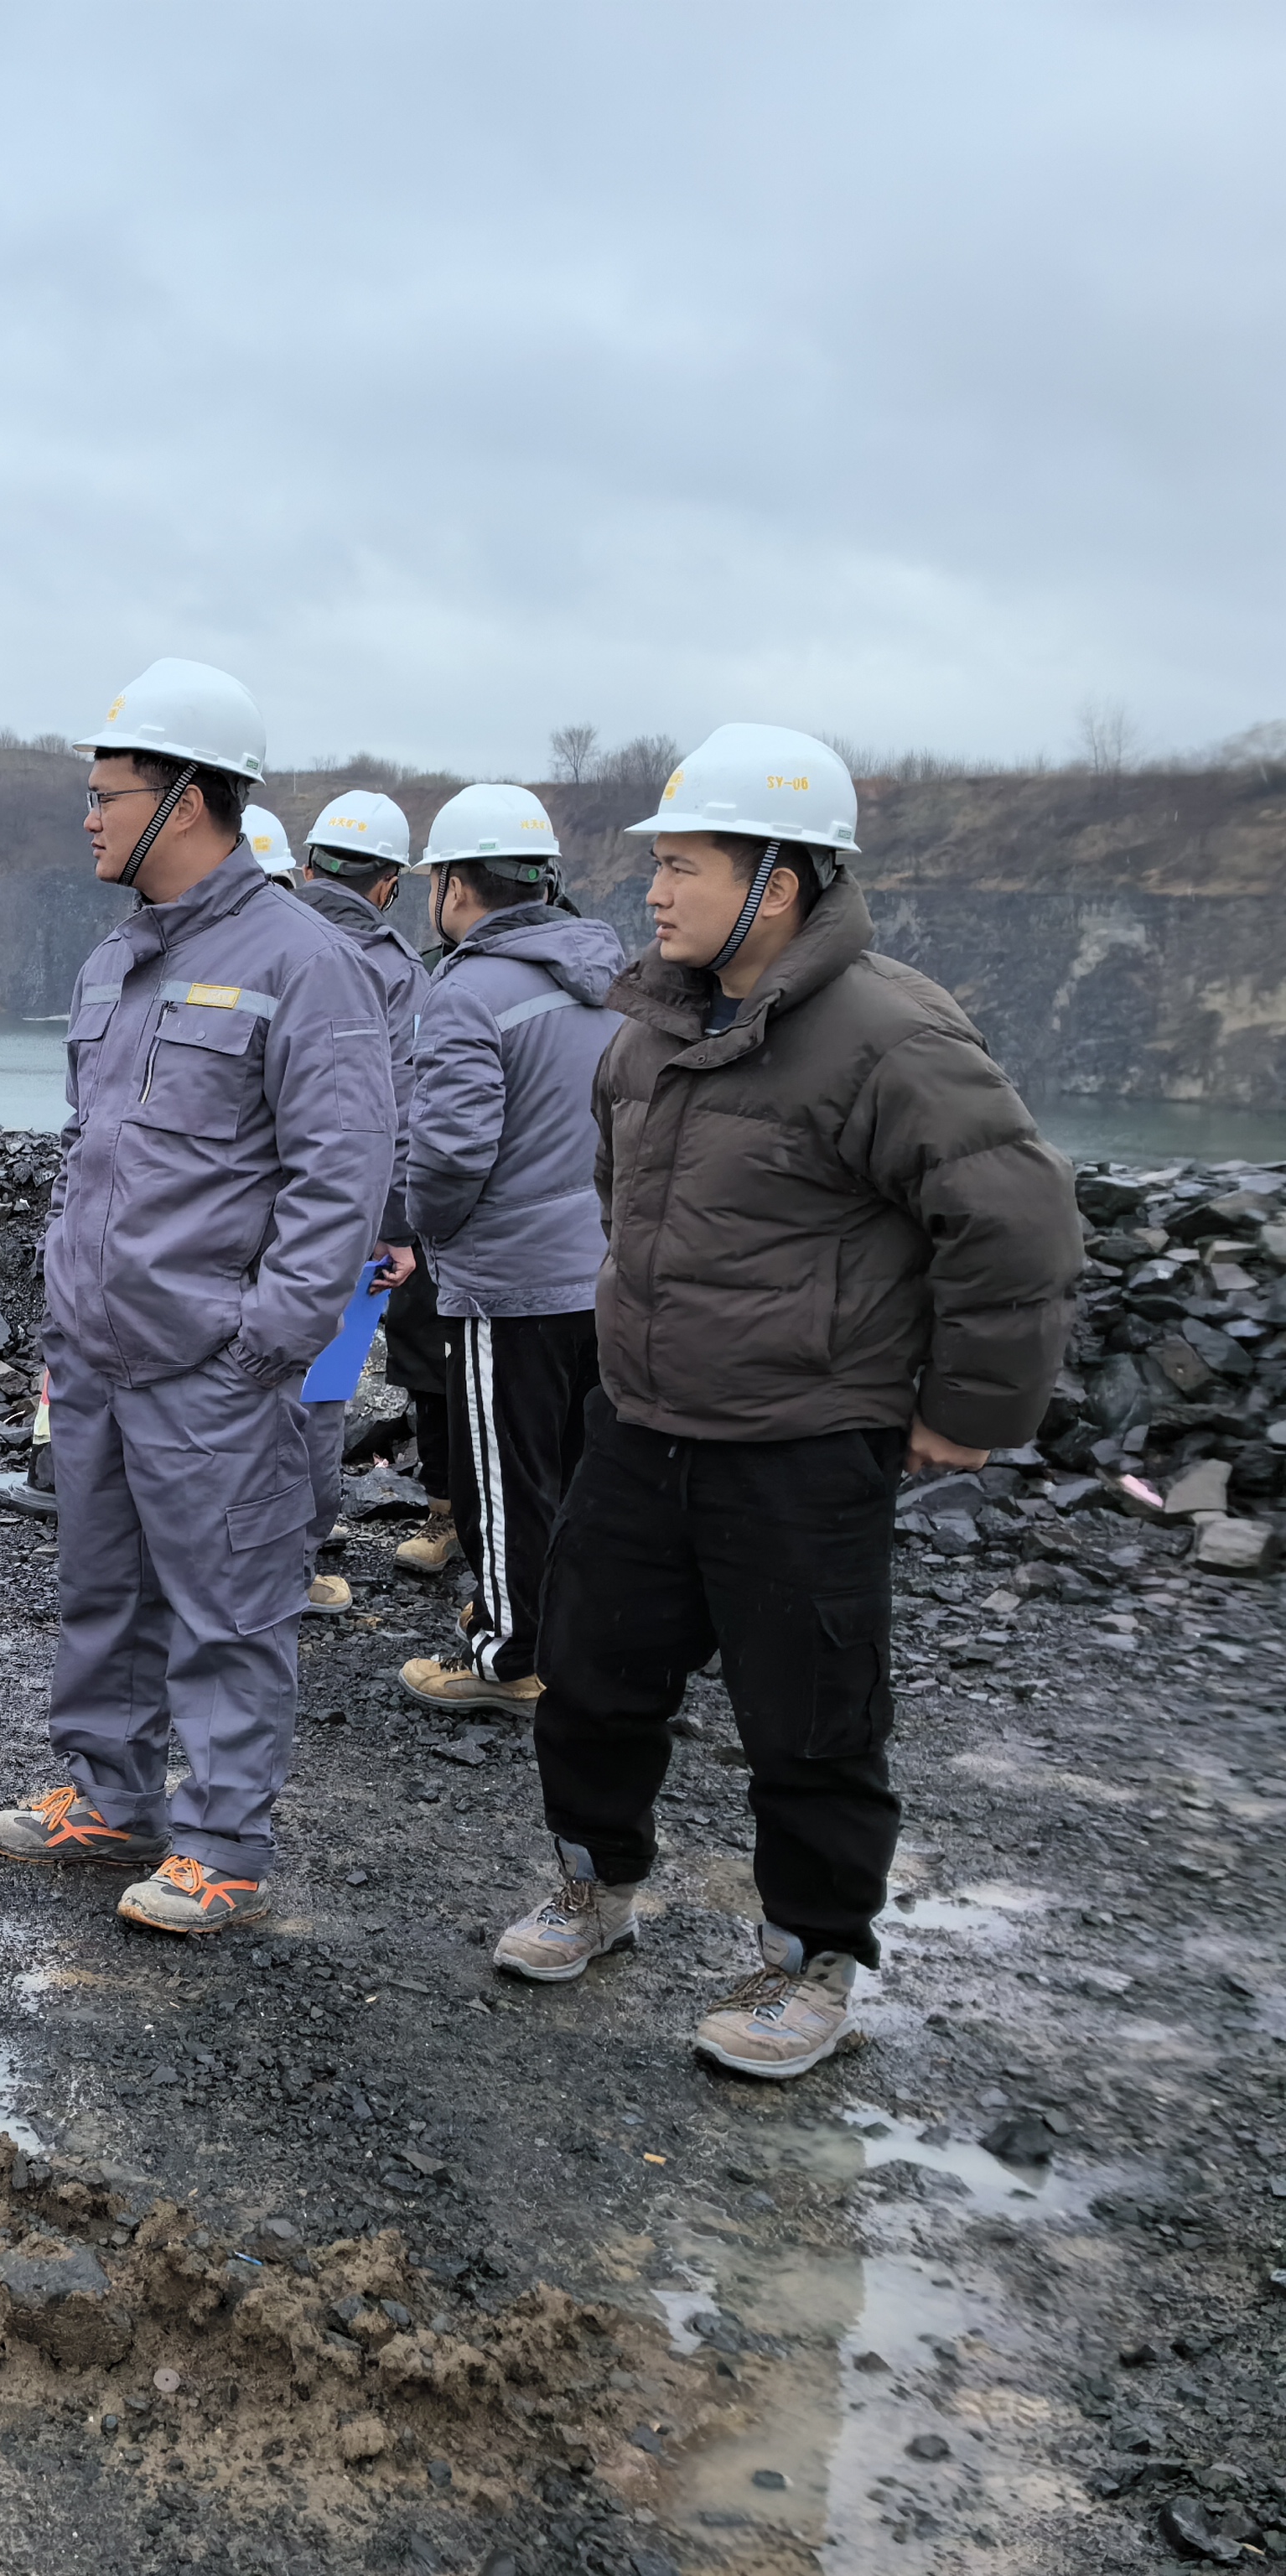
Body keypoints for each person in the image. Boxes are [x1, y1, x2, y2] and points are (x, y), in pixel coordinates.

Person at [491, 725, 1077, 2079]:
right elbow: (621, 1195)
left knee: (812, 1719)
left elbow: (1017, 1221)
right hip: (641, 1425)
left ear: (781, 882)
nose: (654, 891)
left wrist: (966, 1409)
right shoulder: (651, 1030)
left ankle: (813, 1959)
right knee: (590, 1680)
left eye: (684, 866)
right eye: (657, 866)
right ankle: (595, 1885)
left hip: (801, 1446)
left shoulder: (889, 1033)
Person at [0, 661, 394, 1933]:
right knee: (103, 1591)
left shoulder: (305, 962)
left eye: (108, 796)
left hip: (214, 1363)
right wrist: (67, 1309)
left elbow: (344, 1171)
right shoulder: (117, 960)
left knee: (229, 1609)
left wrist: (269, 1337)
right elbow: (94, 1150)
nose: (89, 818)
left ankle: (222, 1845)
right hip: (99, 1352)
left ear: (189, 800)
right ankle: (112, 1799)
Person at [381, 786, 625, 1720]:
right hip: (605, 1273)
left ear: (452, 885)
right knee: (582, 1469)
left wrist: (429, 1230)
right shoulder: (614, 979)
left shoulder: (468, 992)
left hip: (510, 1282)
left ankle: (508, 1659)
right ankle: (573, 1638)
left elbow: (448, 1154)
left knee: (505, 1480)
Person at [289, 788, 423, 1612]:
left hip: (237, 1209)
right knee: (318, 1389)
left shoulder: (254, 937)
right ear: (389, 885)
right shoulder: (398, 972)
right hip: (342, 1218)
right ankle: (294, 1566)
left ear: (308, 866)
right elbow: (401, 1110)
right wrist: (394, 1227)